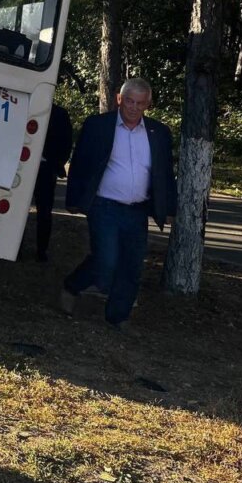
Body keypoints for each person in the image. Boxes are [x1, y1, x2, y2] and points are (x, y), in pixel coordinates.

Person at [60, 78, 176, 328]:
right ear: (119, 99)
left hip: (137, 210)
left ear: (148, 105)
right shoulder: (98, 126)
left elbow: (165, 173)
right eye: (130, 101)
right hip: (104, 206)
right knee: (106, 260)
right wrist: (74, 200)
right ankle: (72, 286)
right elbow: (79, 165)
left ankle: (117, 316)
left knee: (132, 264)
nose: (134, 108)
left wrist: (168, 209)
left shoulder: (159, 133)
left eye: (140, 103)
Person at [33, 103, 73, 262]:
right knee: (17, 208)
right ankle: (16, 248)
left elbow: (66, 142)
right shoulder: (24, 105)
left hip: (46, 168)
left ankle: (41, 250)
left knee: (44, 211)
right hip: (21, 167)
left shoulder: (59, 113)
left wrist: (56, 163)